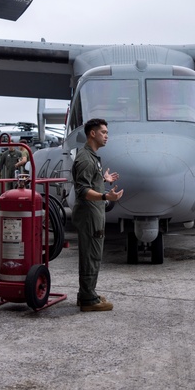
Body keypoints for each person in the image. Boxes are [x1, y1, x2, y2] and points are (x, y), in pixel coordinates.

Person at [72, 118, 124, 313]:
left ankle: (87, 293)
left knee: (92, 254)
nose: (106, 136)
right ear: (92, 133)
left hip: (93, 214)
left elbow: (89, 181)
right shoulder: (85, 158)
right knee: (91, 255)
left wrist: (103, 179)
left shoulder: (91, 157)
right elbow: (83, 190)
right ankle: (88, 299)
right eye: (103, 132)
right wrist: (105, 195)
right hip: (89, 215)